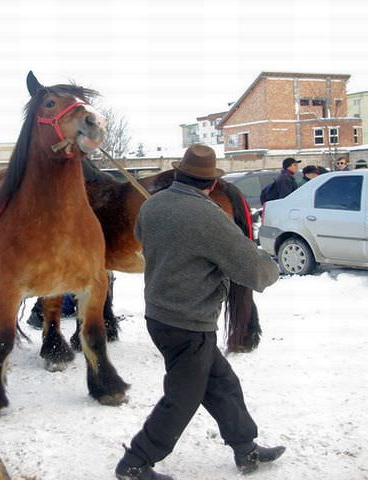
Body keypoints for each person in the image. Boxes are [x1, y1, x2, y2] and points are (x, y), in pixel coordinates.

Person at [115, 144, 284, 480]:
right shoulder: (208, 217)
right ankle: (134, 463)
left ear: (179, 174)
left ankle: (245, 447)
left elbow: (140, 237)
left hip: (162, 316)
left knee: (221, 383)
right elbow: (252, 269)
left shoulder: (153, 205)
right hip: (187, 323)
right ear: (210, 185)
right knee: (182, 400)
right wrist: (273, 268)